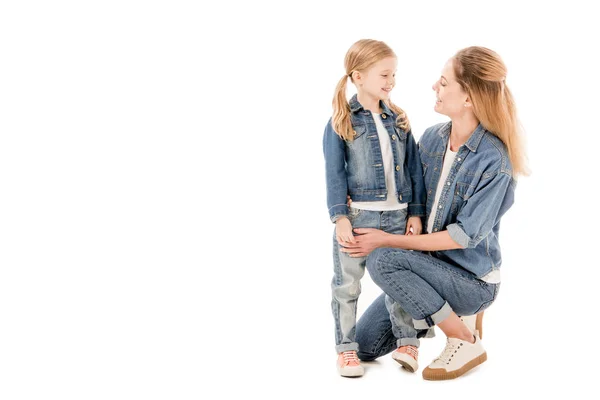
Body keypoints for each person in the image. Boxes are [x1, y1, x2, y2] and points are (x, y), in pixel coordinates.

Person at [344, 46, 528, 380]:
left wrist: (388, 240)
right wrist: (354, 191)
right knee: (362, 347)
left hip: (470, 281)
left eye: (443, 83)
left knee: (382, 259)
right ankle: (452, 314)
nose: (434, 87)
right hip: (426, 269)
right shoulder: (431, 138)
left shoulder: (494, 161)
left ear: (468, 97)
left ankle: (463, 336)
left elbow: (463, 237)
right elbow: (402, 187)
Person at [323, 39, 426, 377]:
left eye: (393, 74)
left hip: (397, 217)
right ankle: (346, 350)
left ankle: (407, 341)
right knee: (347, 286)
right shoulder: (341, 122)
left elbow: (414, 169)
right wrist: (340, 217)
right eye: (384, 74)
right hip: (358, 217)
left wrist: (415, 212)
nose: (390, 81)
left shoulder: (398, 119)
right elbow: (334, 173)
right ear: (358, 76)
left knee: (399, 282)